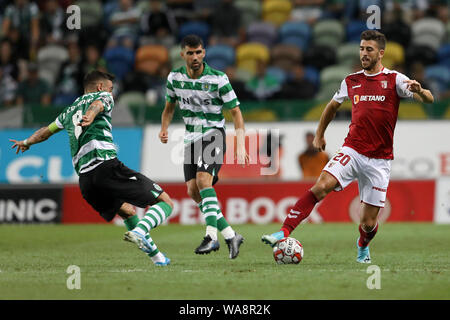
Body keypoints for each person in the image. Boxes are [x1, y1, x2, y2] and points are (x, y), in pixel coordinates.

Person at [262, 30, 434, 263]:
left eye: (369, 49)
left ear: (381, 53)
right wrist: (319, 135)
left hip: (379, 160)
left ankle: (362, 245)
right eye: (362, 48)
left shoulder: (394, 79)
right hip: (352, 150)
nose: (364, 53)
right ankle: (283, 232)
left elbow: (429, 99)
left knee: (368, 223)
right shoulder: (351, 81)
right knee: (321, 186)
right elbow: (331, 107)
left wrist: (420, 91)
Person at [10, 70, 173, 266]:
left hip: (86, 181)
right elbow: (98, 104)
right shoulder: (103, 96)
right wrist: (90, 114)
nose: (112, 92)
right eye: (111, 88)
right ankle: (140, 231)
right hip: (105, 166)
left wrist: (26, 141)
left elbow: (46, 131)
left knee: (128, 212)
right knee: (165, 201)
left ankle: (158, 259)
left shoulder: (68, 111)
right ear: (100, 87)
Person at [160, 34, 249, 258]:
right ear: (183, 55)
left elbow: (236, 112)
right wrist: (164, 128)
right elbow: (169, 106)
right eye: (190, 53)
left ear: (204, 53)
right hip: (190, 138)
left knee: (202, 180)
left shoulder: (219, 79)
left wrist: (240, 145)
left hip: (213, 134)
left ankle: (211, 237)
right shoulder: (174, 78)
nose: (195, 57)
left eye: (198, 52)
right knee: (193, 191)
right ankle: (230, 235)